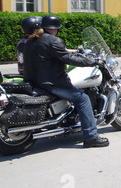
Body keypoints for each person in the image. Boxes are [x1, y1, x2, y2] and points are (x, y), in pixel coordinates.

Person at [23, 15, 109, 148]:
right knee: (83, 99)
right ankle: (91, 137)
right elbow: (69, 59)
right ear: (54, 29)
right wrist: (93, 62)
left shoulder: (31, 41)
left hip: (34, 81)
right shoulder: (53, 40)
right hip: (51, 84)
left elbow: (57, 54)